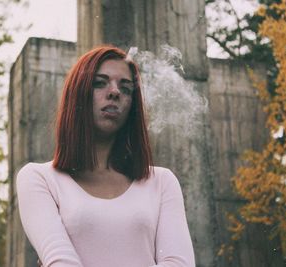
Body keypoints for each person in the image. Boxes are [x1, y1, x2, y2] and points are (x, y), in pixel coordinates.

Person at [16, 45, 195, 267]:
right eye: (100, 83)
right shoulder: (39, 178)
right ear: (78, 95)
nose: (114, 92)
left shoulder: (162, 182)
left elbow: (179, 264)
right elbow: (62, 263)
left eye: (126, 88)